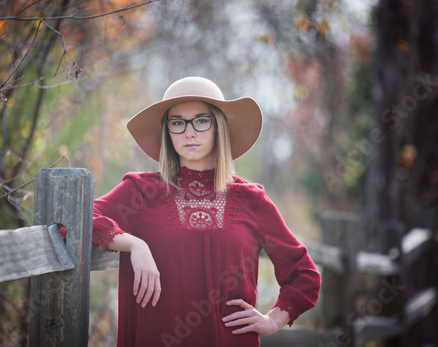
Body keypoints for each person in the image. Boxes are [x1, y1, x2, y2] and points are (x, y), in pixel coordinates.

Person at [91, 77, 321, 346]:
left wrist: (272, 320)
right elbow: (78, 218)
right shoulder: (141, 191)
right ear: (167, 131)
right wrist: (133, 243)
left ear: (218, 127)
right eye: (177, 122)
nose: (189, 132)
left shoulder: (251, 200)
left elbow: (304, 273)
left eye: (201, 120)